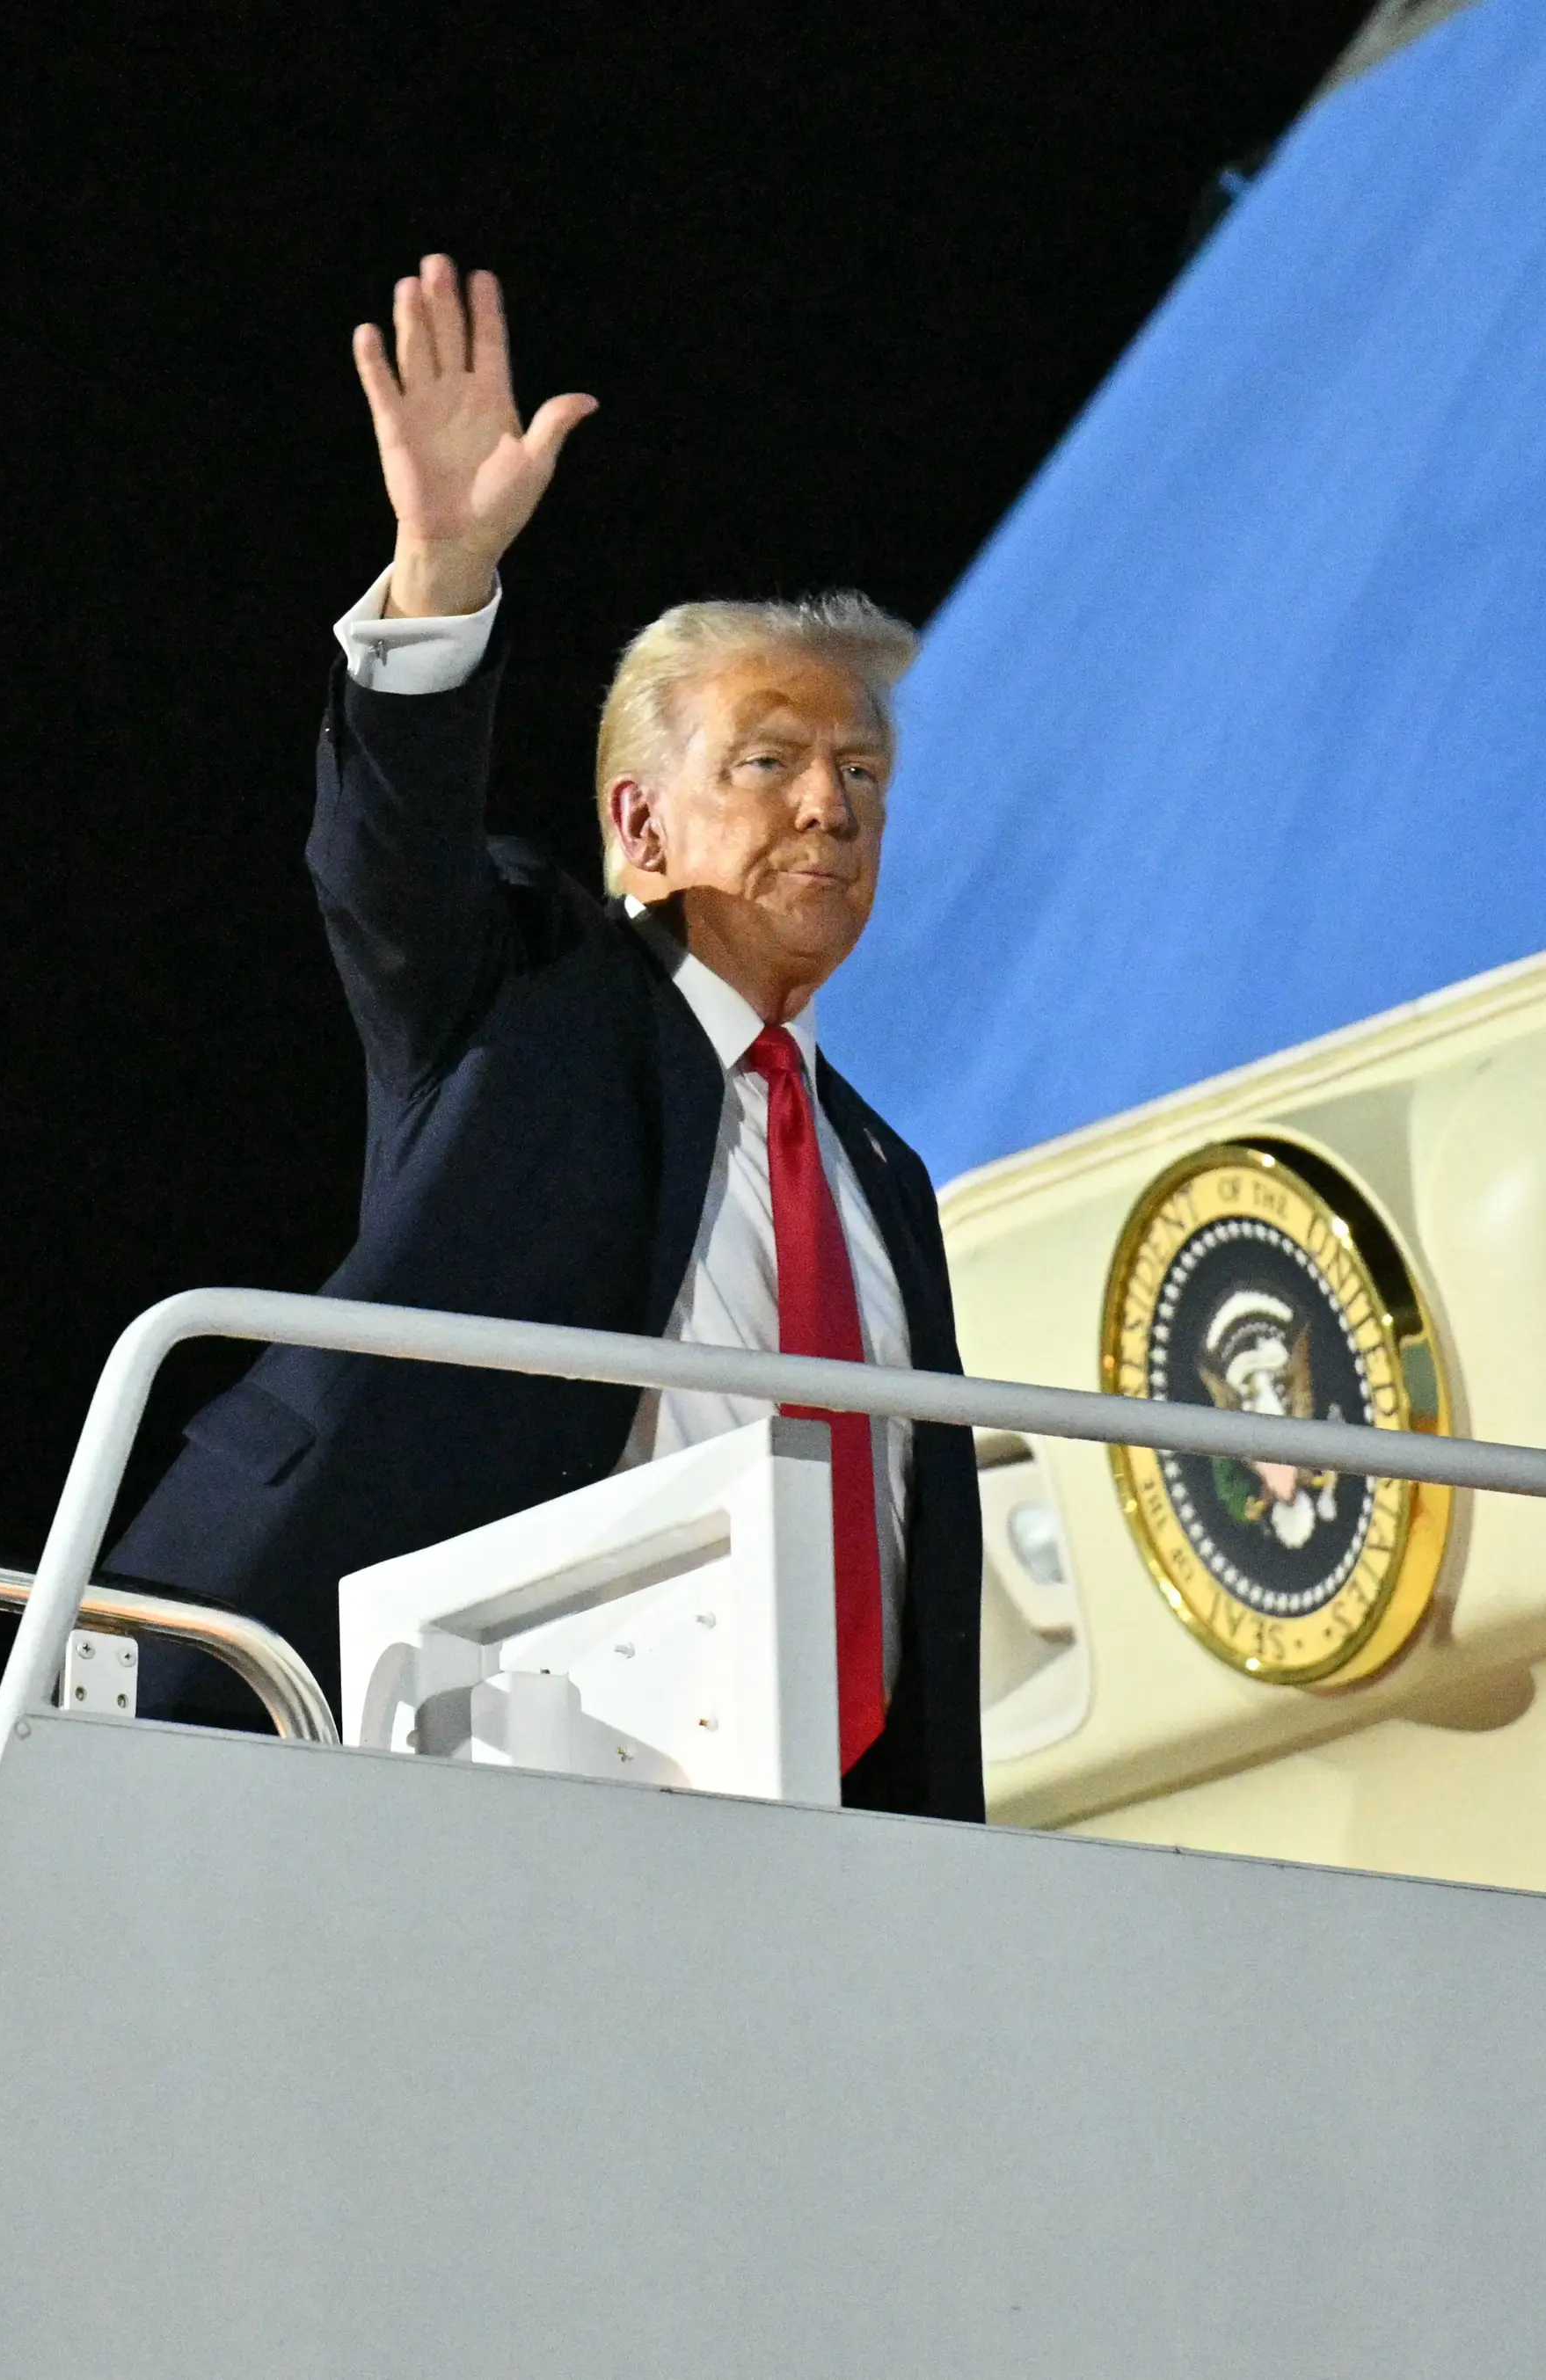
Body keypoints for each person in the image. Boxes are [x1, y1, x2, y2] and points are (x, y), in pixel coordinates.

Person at [111, 255, 983, 1822]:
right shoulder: (523, 992)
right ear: (640, 823)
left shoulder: (885, 1178)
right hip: (445, 1753)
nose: (831, 807)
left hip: (806, 1828)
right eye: (773, 759)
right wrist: (440, 577)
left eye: (862, 774)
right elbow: (386, 865)